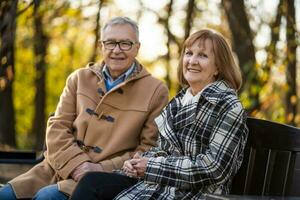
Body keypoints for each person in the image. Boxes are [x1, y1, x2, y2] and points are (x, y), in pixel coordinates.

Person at [0, 16, 169, 200]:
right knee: (5, 195)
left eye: (125, 43)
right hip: (53, 168)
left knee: (47, 197)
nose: (117, 50)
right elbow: (57, 128)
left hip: (102, 178)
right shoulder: (79, 78)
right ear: (101, 46)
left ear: (137, 47)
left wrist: (99, 169)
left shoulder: (155, 90)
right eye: (110, 43)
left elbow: (147, 149)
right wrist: (77, 164)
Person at [69, 28, 248, 200]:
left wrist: (152, 167)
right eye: (189, 53)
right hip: (163, 184)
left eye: (202, 55)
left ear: (218, 67)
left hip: (197, 193)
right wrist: (137, 163)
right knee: (91, 182)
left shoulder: (228, 106)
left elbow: (214, 168)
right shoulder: (179, 101)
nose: (192, 61)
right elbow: (163, 150)